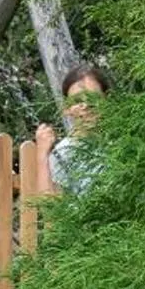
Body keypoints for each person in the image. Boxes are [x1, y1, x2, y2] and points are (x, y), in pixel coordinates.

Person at [48, 62, 109, 195]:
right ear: (66, 109)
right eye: (77, 101)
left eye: (93, 97)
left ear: (107, 100)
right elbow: (57, 209)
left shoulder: (122, 143)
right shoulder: (62, 155)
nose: (86, 105)